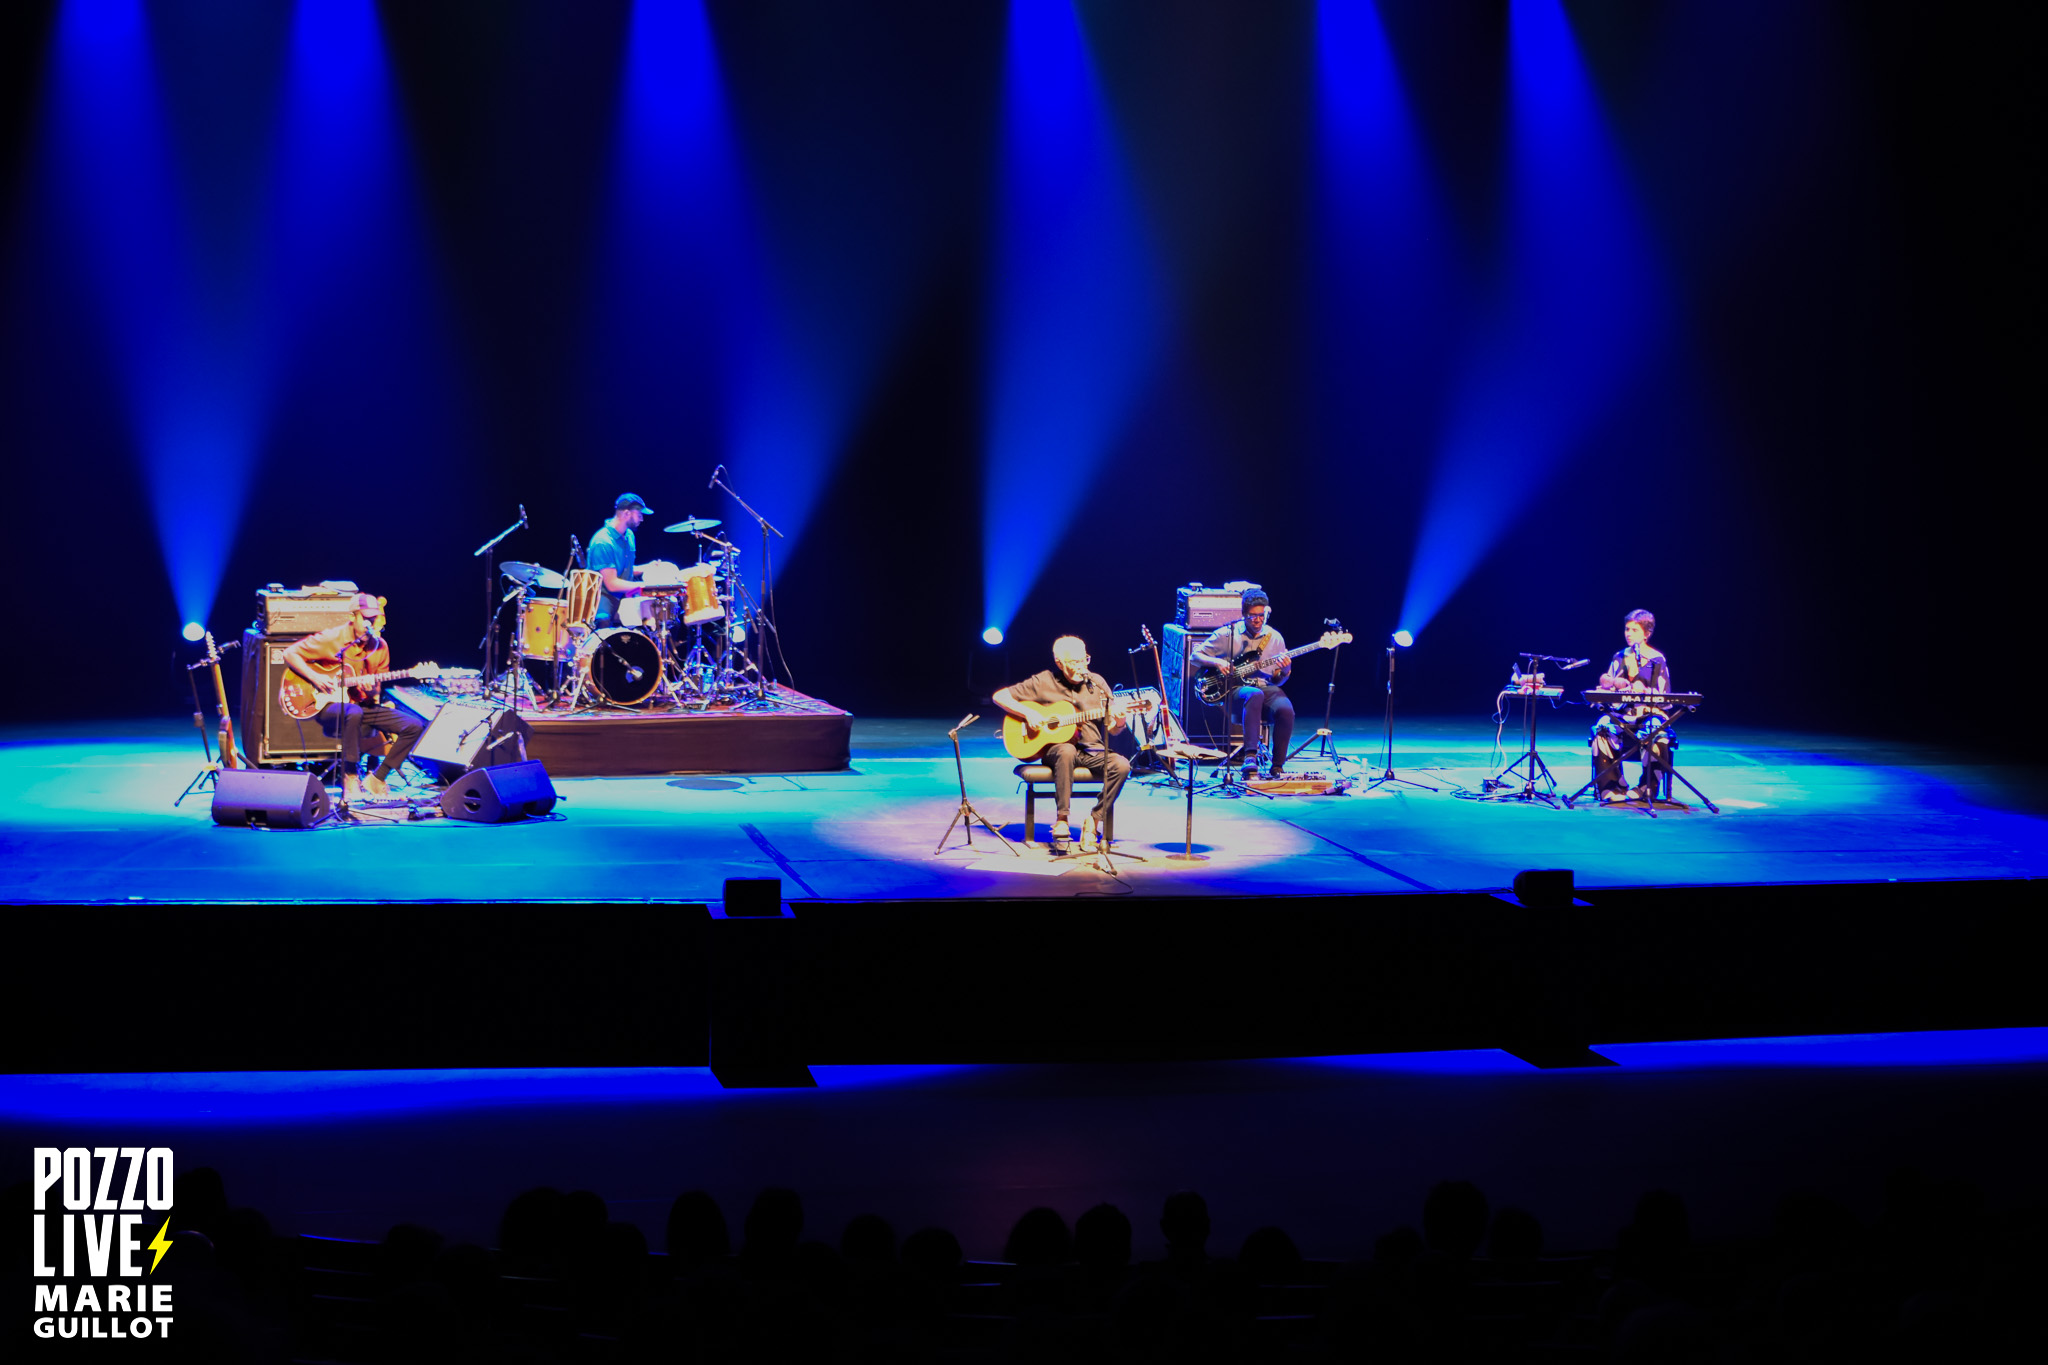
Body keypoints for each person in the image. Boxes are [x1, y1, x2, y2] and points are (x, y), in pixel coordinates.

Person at [282, 592, 424, 804]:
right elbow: (290, 653)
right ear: (353, 616)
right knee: (353, 712)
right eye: (365, 618)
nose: (370, 623)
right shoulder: (333, 638)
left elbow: (374, 693)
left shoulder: (380, 647)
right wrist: (316, 677)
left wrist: (369, 688)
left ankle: (377, 778)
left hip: (359, 704)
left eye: (373, 618)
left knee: (414, 725)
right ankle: (349, 776)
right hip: (325, 704)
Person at [993, 636, 1130, 854]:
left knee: (1122, 765)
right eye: (1073, 662)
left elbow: (1113, 728)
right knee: (1066, 750)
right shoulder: (1044, 681)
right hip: (1056, 750)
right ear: (1059, 662)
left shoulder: (1097, 684)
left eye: (1084, 660)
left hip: (1092, 750)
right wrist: (1029, 712)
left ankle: (1093, 822)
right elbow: (1000, 696)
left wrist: (1120, 720)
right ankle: (1062, 819)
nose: (1081, 666)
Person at [1194, 589, 1295, 777]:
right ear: (1243, 614)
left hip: (1265, 686)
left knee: (1286, 710)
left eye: (1261, 615)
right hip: (1235, 689)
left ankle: (1278, 766)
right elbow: (1195, 656)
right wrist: (1218, 662)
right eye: (1252, 616)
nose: (1257, 620)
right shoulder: (1227, 634)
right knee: (1253, 694)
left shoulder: (1275, 637)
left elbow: (1278, 679)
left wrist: (1286, 670)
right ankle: (1250, 757)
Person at [1589, 608, 1674, 803]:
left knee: (1658, 733)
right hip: (1622, 714)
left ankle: (1647, 787)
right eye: (1627, 629)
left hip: (1648, 713)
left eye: (1634, 630)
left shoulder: (1657, 659)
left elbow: (1665, 695)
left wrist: (1644, 691)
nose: (1628, 634)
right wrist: (1608, 686)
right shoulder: (1619, 656)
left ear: (1647, 633)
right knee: (1602, 726)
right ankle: (1611, 786)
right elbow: (1609, 683)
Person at [588, 492, 655, 629]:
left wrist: (648, 567)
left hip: (624, 595)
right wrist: (643, 586)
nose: (642, 519)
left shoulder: (629, 535)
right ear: (626, 514)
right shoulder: (603, 542)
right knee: (604, 621)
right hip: (603, 596)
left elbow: (624, 570)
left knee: (659, 613)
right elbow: (612, 584)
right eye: (639, 515)